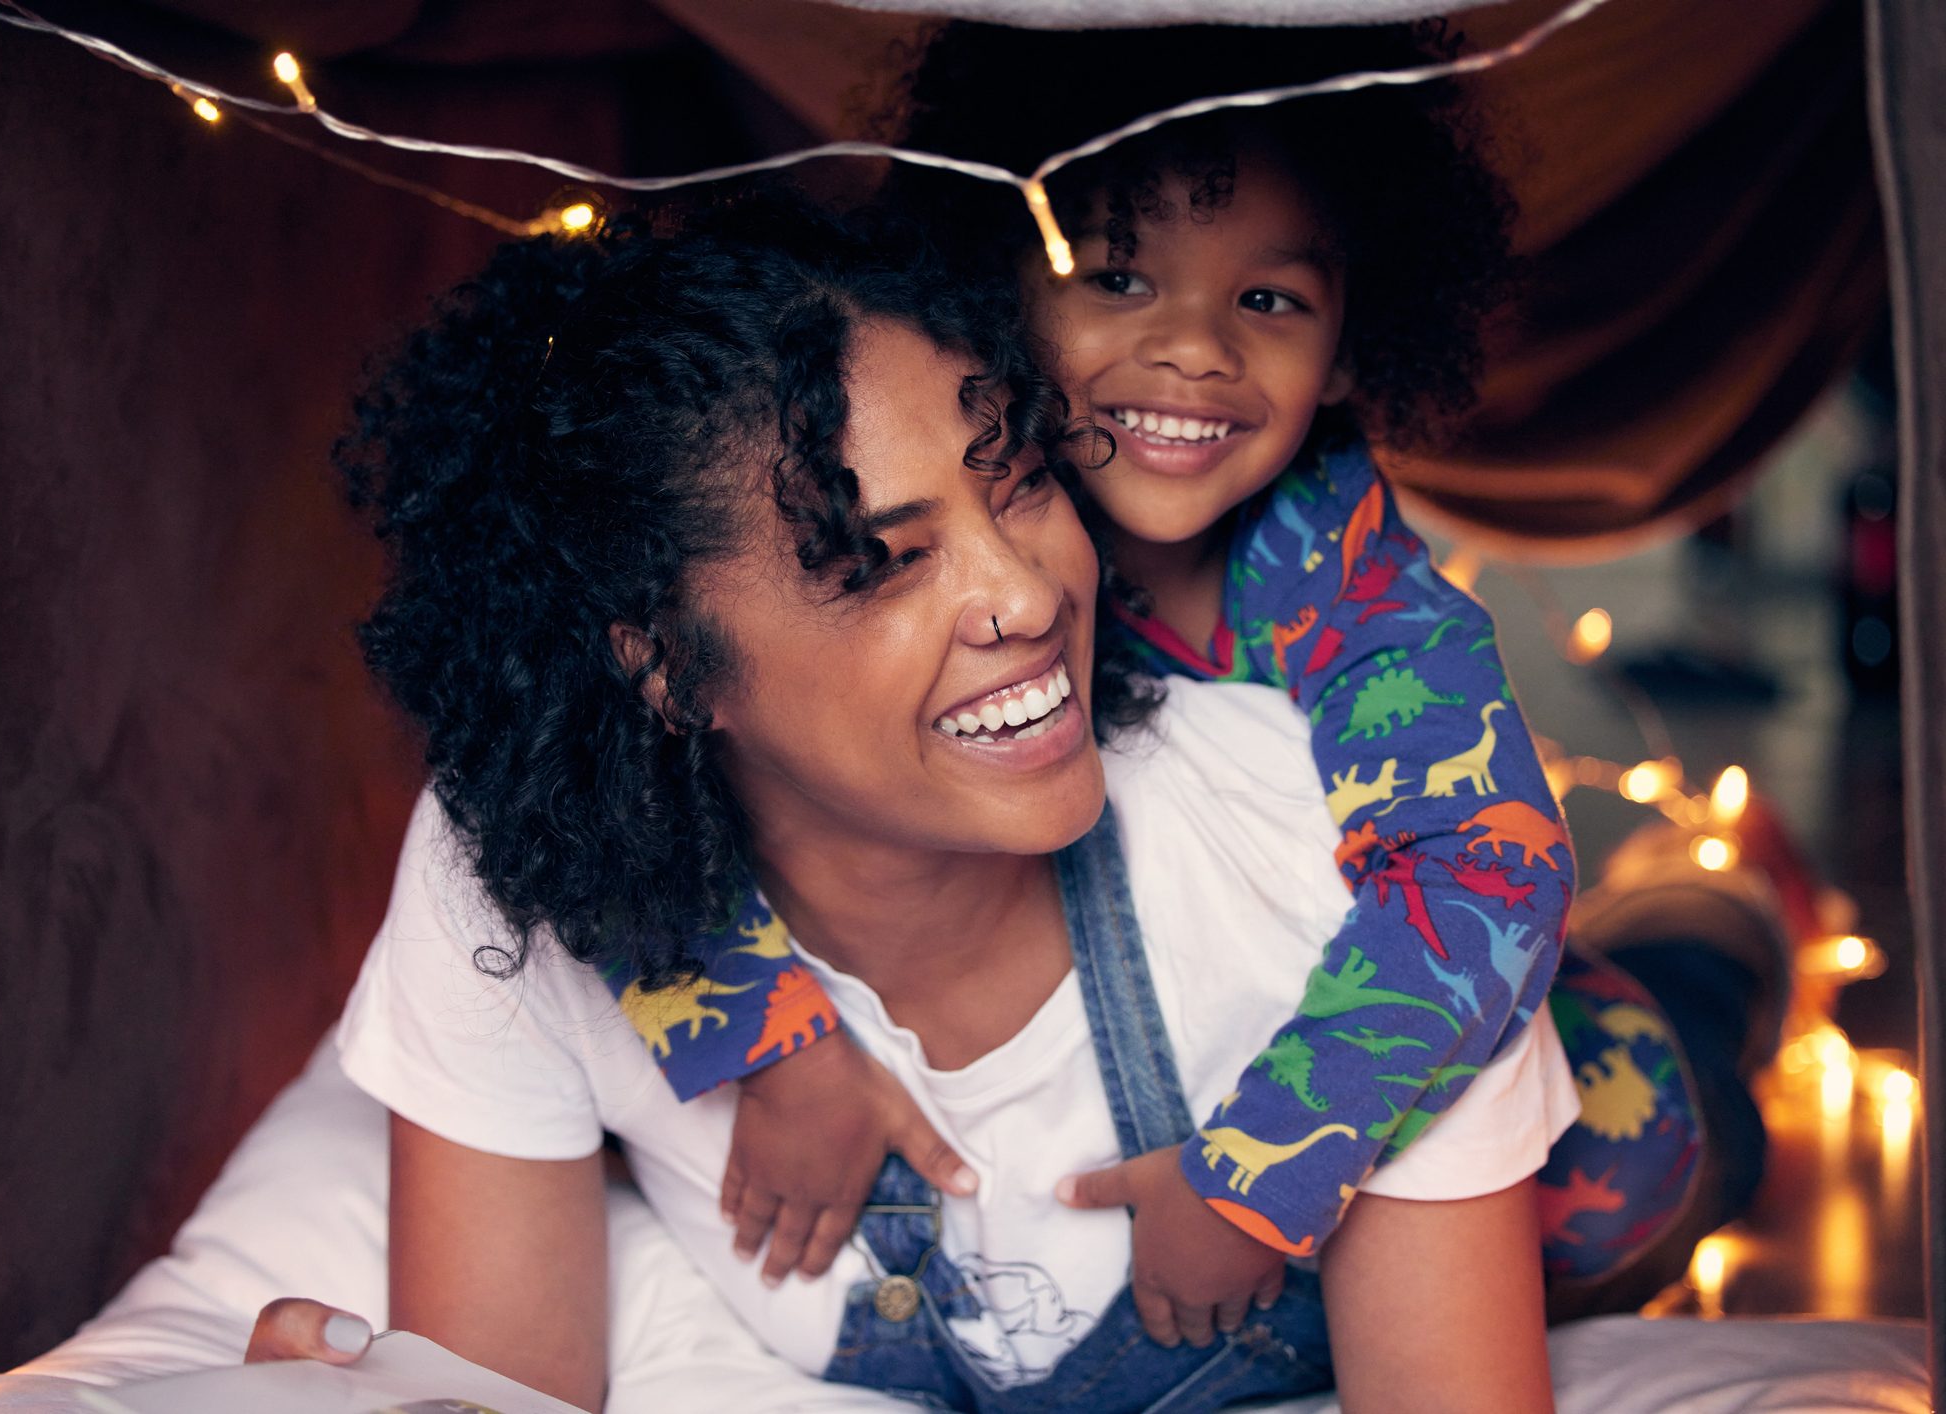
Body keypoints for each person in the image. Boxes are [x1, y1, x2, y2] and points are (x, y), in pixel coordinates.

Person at [324, 191, 1572, 1412]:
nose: (1024, 598)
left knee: (1660, 1135)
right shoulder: (525, 858)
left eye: (1023, 480)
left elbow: (1481, 887)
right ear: (662, 665)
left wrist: (1259, 1173)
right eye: (883, 559)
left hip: (1513, 1041)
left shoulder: (1313, 847)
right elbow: (490, 1382)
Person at [605, 21, 1704, 1328]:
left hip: (1584, 1096)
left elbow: (1488, 863)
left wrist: (1255, 1177)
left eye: (1270, 300)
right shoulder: (940, 507)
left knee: (1689, 1086)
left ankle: (1719, 946)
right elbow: (603, 761)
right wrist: (767, 1039)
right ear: (995, 283)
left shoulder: (1343, 571)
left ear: (1351, 344)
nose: (1195, 350)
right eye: (1120, 278)